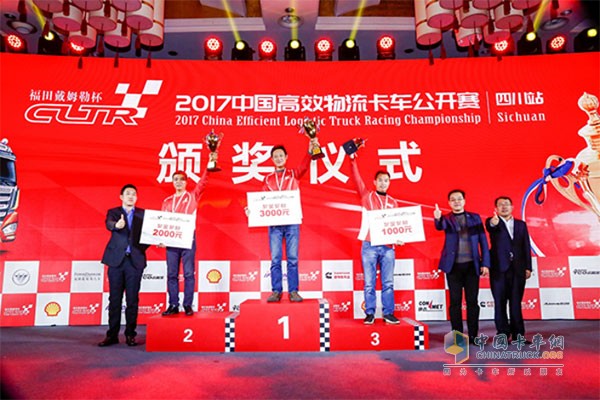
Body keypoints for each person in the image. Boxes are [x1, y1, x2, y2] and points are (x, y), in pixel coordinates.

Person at [261, 140, 318, 303]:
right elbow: (262, 200)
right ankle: (276, 291)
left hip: (292, 222)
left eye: (281, 155)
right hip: (274, 224)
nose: (278, 158)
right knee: (275, 258)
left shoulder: (293, 174)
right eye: (275, 156)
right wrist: (252, 210)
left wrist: (310, 150)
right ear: (272, 159)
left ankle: (293, 291)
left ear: (286, 157)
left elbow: (304, 166)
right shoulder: (267, 179)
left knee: (292, 258)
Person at [349, 153, 403, 325]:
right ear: (374, 182)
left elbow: (397, 224)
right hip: (369, 245)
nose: (383, 183)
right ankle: (370, 313)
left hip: (388, 247)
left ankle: (388, 313)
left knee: (388, 282)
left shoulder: (393, 202)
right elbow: (357, 179)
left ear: (389, 183)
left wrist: (399, 238)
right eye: (380, 180)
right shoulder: (367, 197)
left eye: (386, 180)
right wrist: (352, 160)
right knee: (369, 282)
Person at [161, 152, 216, 317]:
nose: (179, 182)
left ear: (186, 182)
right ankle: (173, 304)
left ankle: (187, 304)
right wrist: (161, 239)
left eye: (182, 179)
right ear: (172, 182)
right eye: (176, 179)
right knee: (172, 274)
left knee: (188, 273)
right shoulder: (166, 201)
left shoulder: (192, 196)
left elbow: (203, 182)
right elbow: (162, 222)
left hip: (187, 240)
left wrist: (209, 166)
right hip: (171, 242)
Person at [434, 189, 490, 344]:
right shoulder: (446, 219)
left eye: (459, 199)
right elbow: (440, 226)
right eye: (453, 199)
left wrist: (485, 263)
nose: (456, 202)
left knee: (472, 302)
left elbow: (483, 242)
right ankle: (457, 336)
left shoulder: (475, 218)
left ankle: (473, 336)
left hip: (472, 266)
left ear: (464, 201)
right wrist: (437, 218)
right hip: (453, 267)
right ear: (449, 203)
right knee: (455, 302)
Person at [99, 184, 149, 347]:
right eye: (128, 194)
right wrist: (116, 225)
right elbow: (109, 224)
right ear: (121, 197)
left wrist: (152, 243)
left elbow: (149, 235)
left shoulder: (143, 214)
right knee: (115, 299)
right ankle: (112, 335)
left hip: (134, 262)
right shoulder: (113, 212)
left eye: (134, 194)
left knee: (132, 300)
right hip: (116, 261)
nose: (131, 196)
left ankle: (130, 335)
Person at [485, 196, 533, 344]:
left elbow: (526, 246)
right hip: (499, 269)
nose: (504, 207)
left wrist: (528, 267)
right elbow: (490, 226)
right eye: (501, 205)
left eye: (507, 204)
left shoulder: (521, 225)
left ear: (512, 207)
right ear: (496, 209)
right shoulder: (493, 222)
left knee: (516, 303)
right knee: (500, 303)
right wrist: (493, 223)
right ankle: (503, 335)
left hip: (518, 269)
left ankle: (519, 336)